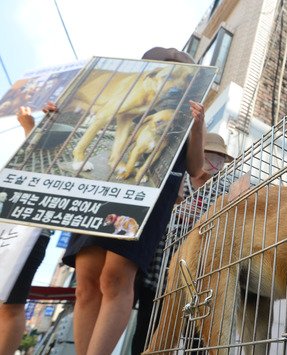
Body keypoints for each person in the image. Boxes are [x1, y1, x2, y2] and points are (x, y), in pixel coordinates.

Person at [61, 47, 207, 355]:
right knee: (86, 280)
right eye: (167, 72)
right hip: (101, 189)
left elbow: (195, 169)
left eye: (183, 74)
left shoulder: (186, 112)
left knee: (116, 276)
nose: (175, 80)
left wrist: (198, 126)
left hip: (148, 197)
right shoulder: (132, 94)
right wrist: (55, 115)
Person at [130, 132, 233, 355]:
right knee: (148, 330)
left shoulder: (225, 191)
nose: (214, 163)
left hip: (200, 276)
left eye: (219, 159)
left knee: (197, 337)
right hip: (160, 272)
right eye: (209, 155)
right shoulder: (175, 180)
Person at [0, 104, 55, 355]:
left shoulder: (45, 136)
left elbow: (37, 168)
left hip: (25, 228)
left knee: (9, 304)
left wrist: (31, 127)